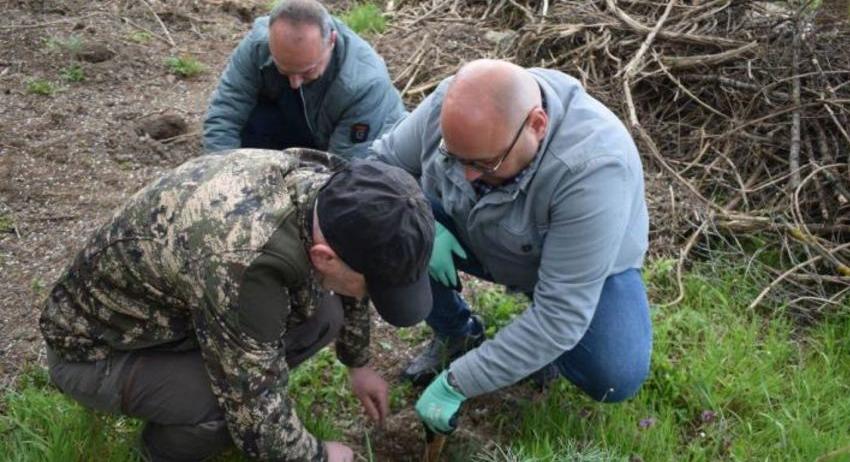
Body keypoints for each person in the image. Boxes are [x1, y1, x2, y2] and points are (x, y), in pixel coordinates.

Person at [40, 148, 435, 461]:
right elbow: (253, 414)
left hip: (182, 311)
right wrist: (317, 456)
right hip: (97, 350)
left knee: (325, 314)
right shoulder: (243, 261)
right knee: (227, 411)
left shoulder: (333, 190)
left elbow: (355, 270)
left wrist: (358, 361)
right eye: (371, 288)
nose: (368, 298)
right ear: (324, 257)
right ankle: (159, 453)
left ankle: (229, 374)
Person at [369, 59, 652, 434]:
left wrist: (458, 383)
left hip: (572, 264)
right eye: (455, 158)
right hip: (475, 229)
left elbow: (559, 316)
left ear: (537, 125)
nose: (467, 174)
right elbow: (377, 169)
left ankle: (536, 353)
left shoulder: (594, 168)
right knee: (383, 222)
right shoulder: (452, 107)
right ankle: (457, 334)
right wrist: (424, 224)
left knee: (614, 373)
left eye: (485, 162)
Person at [203, 0, 405, 158]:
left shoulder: (365, 84)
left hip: (358, 146)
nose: (294, 82)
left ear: (331, 41)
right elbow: (225, 114)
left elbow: (345, 170)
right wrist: (221, 179)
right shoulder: (258, 44)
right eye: (283, 69)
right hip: (301, 119)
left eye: (306, 71)